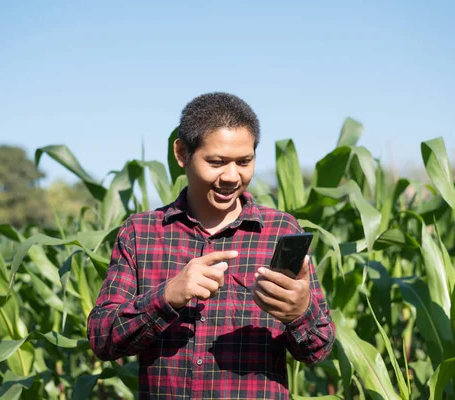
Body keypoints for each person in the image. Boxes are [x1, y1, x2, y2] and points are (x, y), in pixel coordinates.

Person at [87, 92, 335, 399]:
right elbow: (102, 338)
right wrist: (167, 297)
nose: (232, 176)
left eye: (244, 161)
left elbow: (318, 348)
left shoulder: (280, 231)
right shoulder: (141, 233)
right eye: (216, 162)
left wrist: (300, 312)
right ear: (182, 153)